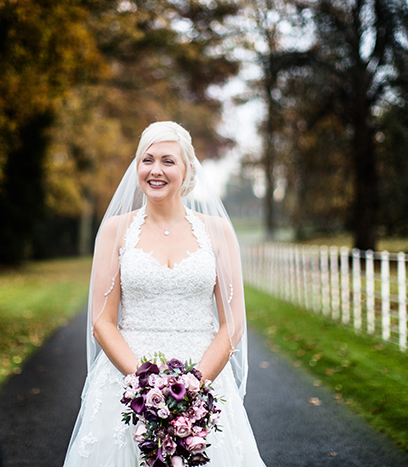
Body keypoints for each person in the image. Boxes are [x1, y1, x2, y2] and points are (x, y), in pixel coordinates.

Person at [63, 121, 266, 466]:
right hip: (127, 381)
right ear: (137, 167)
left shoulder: (218, 232)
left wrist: (195, 387)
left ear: (187, 170)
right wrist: (145, 385)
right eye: (147, 160)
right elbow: (102, 322)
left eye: (168, 161)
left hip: (204, 380)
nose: (155, 170)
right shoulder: (115, 231)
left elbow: (233, 324)